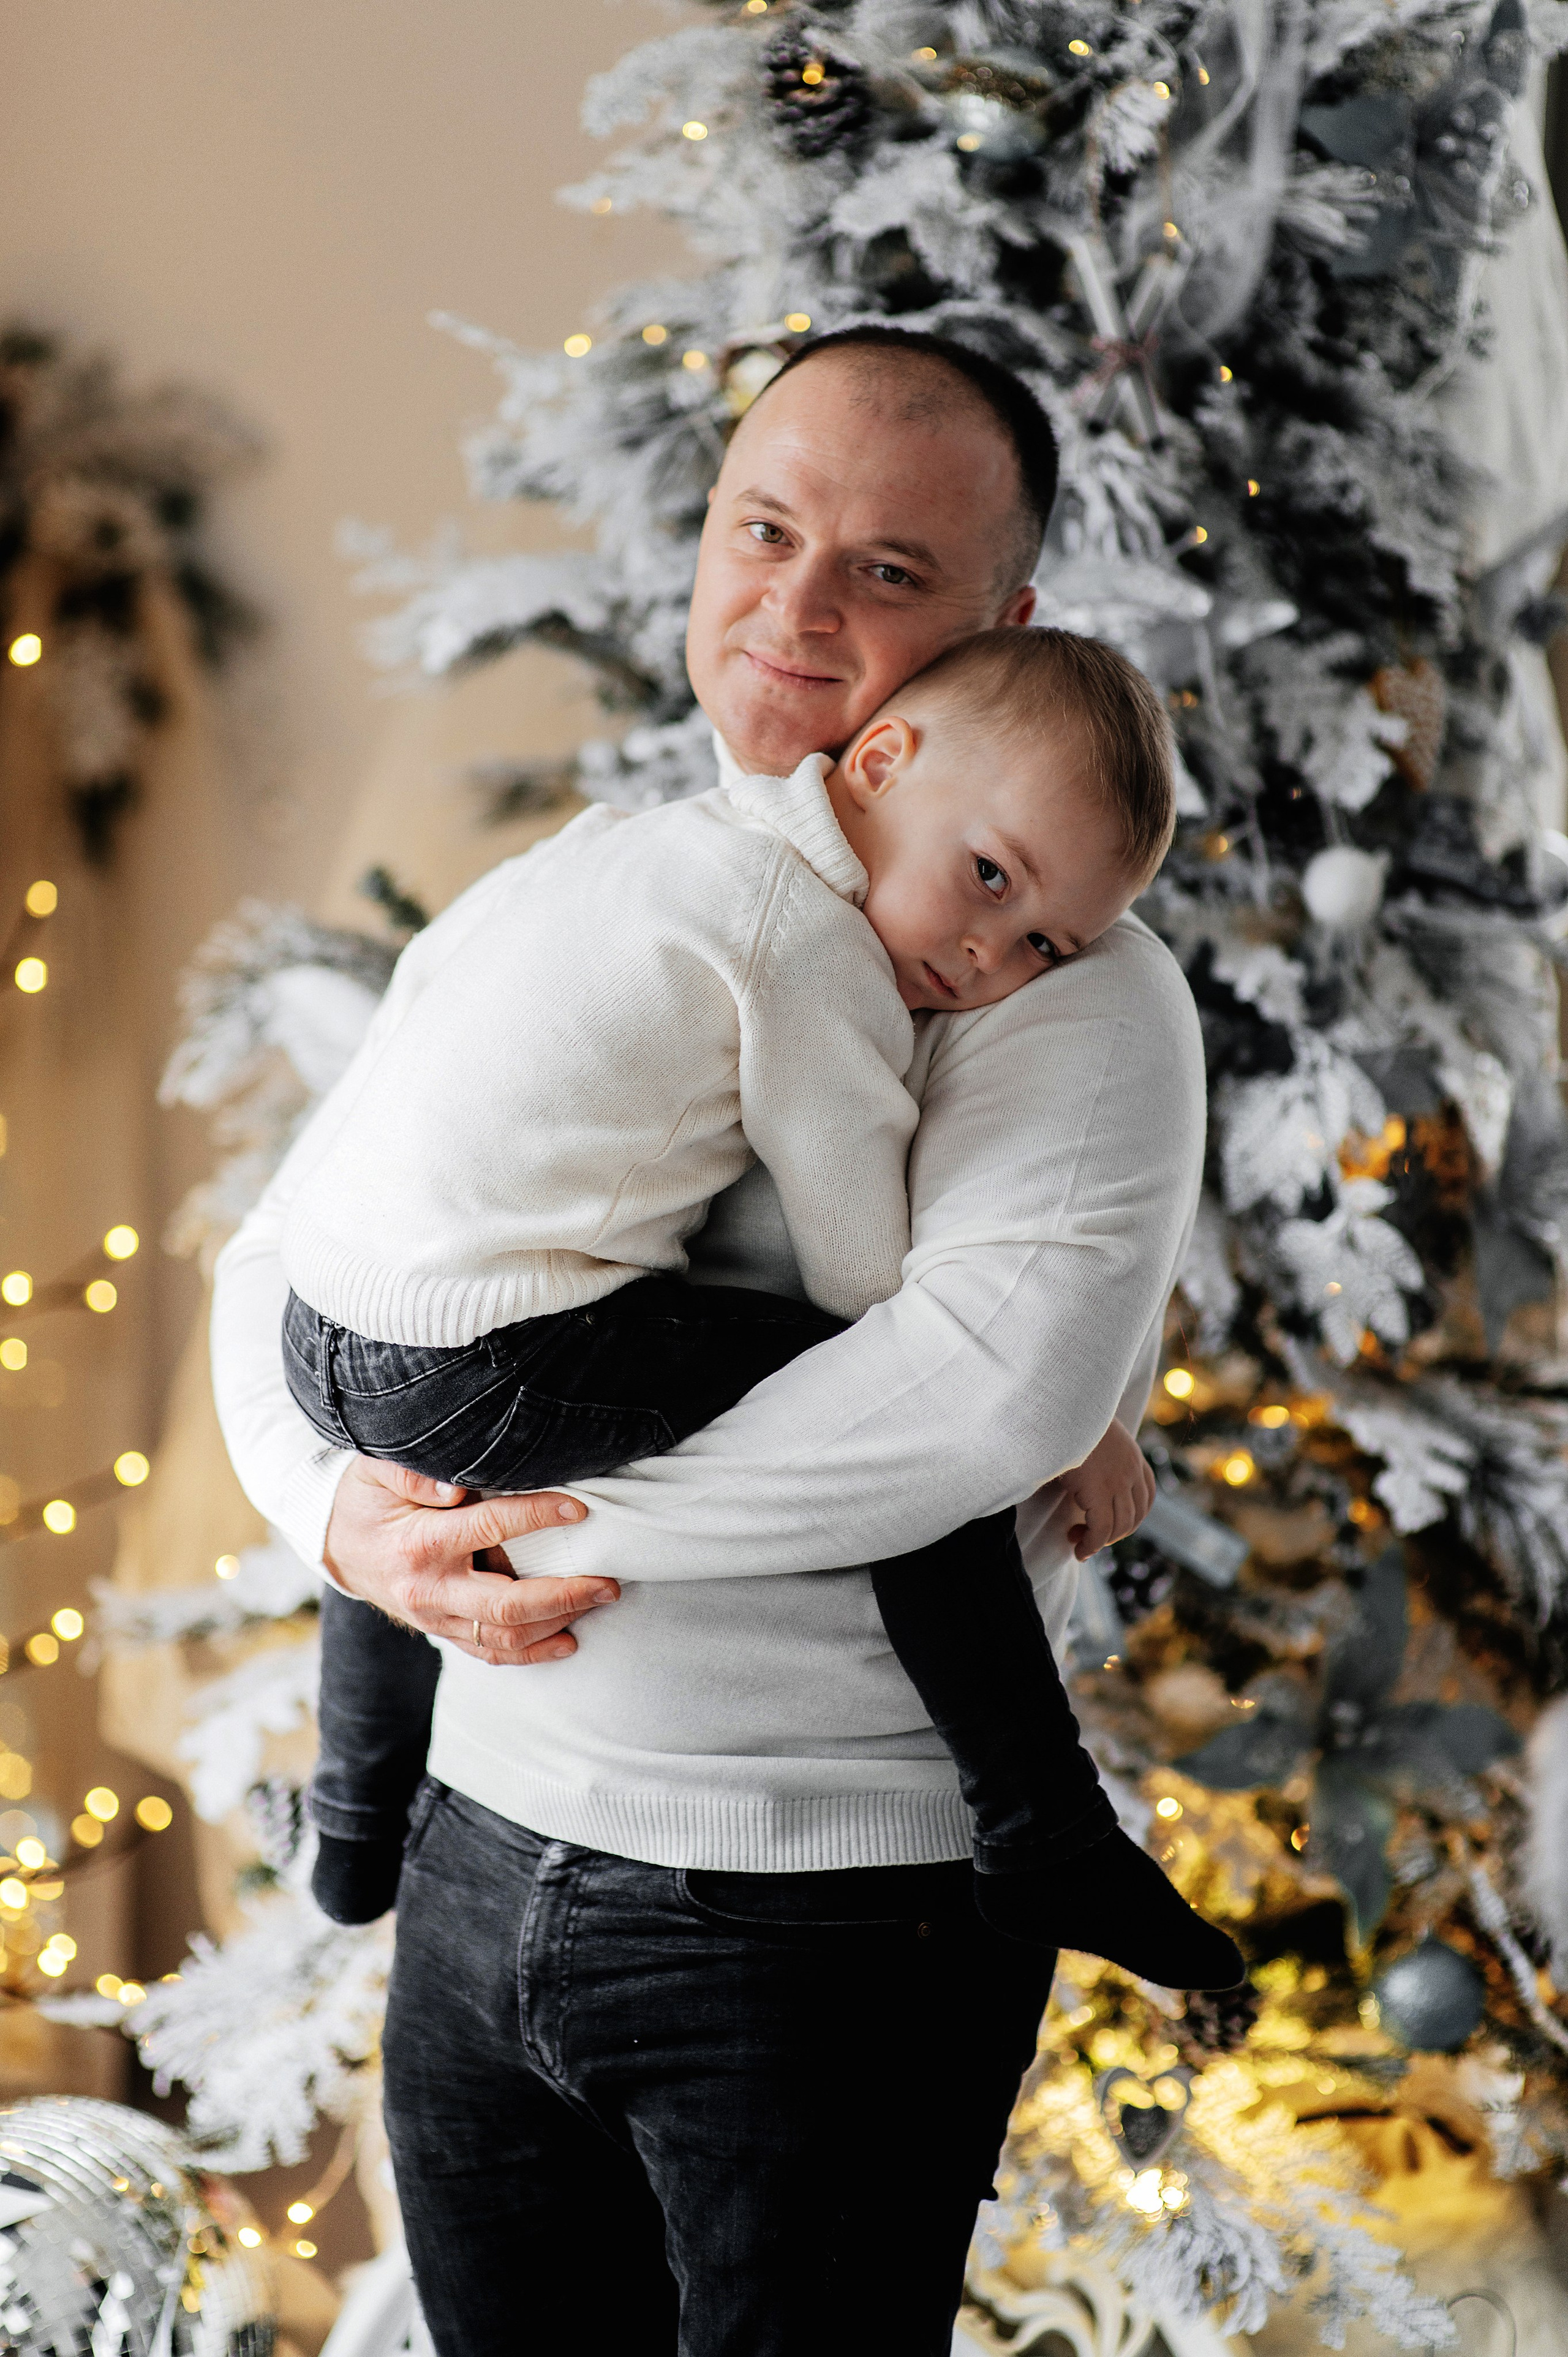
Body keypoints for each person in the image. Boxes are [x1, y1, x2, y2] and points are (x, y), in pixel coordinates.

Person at [211, 327, 1213, 2356]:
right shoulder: (607, 883)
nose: (800, 600)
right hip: (487, 1867)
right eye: (767, 530)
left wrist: (493, 1522)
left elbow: (968, 1385)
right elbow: (288, 1250)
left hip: (814, 1916)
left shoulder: (1057, 978)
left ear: (998, 626)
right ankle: (359, 1801)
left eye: (893, 572)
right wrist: (351, 1522)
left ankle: (1049, 1827)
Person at [276, 622, 1242, 1986]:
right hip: (475, 1358)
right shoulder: (807, 938)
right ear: (882, 758)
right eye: (983, 877)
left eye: (1038, 941)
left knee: (416, 1472)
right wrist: (1060, 1410)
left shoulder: (625, 845)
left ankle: (356, 1814)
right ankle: (1039, 1821)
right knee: (890, 1399)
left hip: (326, 1331)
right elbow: (867, 1270)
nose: (983, 955)